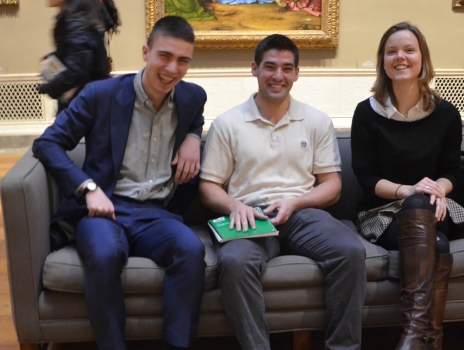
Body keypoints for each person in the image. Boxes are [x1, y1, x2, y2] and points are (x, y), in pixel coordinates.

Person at [32, 16, 207, 350]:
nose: (172, 69)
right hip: (106, 209)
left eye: (183, 60)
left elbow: (195, 119)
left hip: (156, 213)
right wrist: (88, 188)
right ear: (146, 52)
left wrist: (194, 137)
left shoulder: (192, 97)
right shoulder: (101, 94)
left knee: (191, 249)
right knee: (106, 252)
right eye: (164, 56)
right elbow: (47, 144)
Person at [199, 34, 366, 350]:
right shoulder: (228, 123)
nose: (278, 76)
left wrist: (296, 202)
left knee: (351, 251)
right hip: (250, 216)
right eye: (270, 67)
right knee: (234, 263)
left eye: (287, 68)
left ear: (297, 73)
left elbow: (332, 185)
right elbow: (208, 188)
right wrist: (235, 207)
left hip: (302, 211)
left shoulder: (316, 120)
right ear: (254, 69)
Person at [351, 22, 464, 350]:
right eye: (391, 51)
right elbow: (364, 177)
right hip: (383, 211)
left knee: (421, 207)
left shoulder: (447, 113)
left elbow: (452, 172)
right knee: (438, 245)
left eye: (409, 50)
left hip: (437, 204)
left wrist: (437, 190)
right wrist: (406, 191)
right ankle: (427, 339)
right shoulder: (366, 113)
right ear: (383, 61)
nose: (400, 57)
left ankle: (411, 336)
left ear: (423, 58)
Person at [38, 0, 113, 115]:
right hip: (85, 105)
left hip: (84, 109)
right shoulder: (79, 17)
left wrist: (49, 87)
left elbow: (77, 72)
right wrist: (49, 60)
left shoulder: (78, 22)